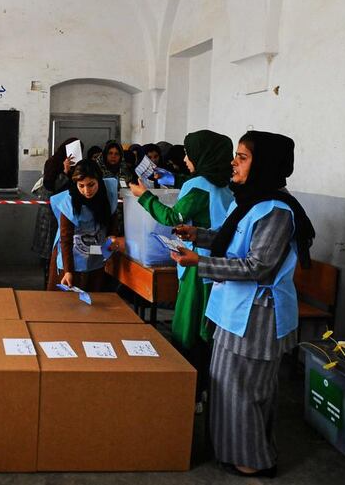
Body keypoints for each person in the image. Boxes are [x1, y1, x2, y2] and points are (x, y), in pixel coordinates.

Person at [171, 131, 315, 478]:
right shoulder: (248, 200)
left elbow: (256, 266)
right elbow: (229, 238)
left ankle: (255, 459)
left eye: (243, 156)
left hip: (257, 317)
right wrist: (198, 236)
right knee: (224, 384)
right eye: (235, 154)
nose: (233, 162)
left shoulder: (276, 211)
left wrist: (198, 263)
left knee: (245, 391)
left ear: (263, 164)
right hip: (233, 310)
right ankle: (231, 450)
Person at [129, 130, 234, 409]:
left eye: (190, 154)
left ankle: (192, 391)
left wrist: (143, 195)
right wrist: (172, 179)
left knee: (189, 327)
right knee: (210, 327)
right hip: (223, 266)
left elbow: (172, 217)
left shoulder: (199, 185)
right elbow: (202, 191)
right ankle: (210, 388)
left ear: (203, 156)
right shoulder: (227, 183)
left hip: (197, 265)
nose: (185, 158)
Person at [47, 159, 121, 292]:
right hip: (70, 255)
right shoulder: (69, 202)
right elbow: (66, 239)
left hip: (96, 252)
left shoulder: (108, 195)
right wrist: (68, 271)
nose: (87, 190)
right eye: (81, 186)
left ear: (99, 180)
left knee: (95, 299)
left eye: (91, 185)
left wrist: (112, 236)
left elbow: (112, 220)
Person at [31, 138, 81, 288]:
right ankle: (48, 282)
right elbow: (51, 187)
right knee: (50, 251)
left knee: (64, 248)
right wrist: (65, 171)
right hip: (51, 213)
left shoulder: (78, 167)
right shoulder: (52, 163)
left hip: (67, 211)